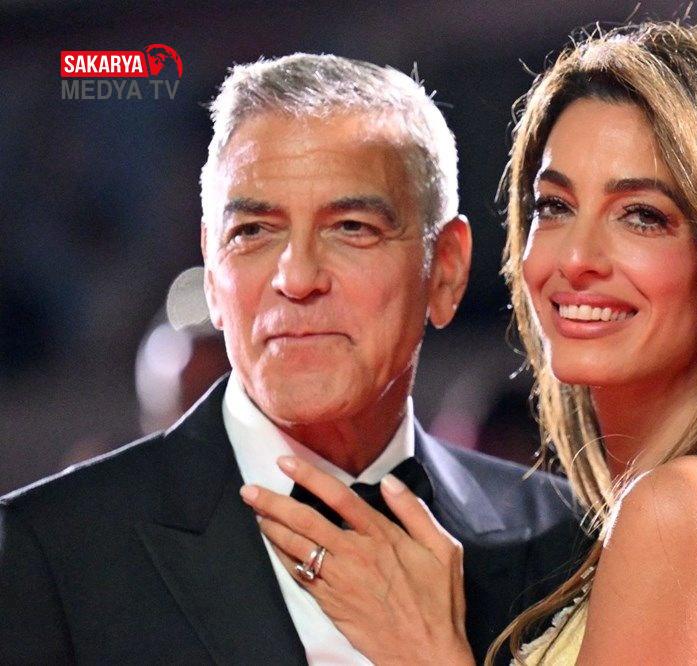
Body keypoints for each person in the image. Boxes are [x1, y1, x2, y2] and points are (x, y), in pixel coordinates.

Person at [241, 22, 697, 664]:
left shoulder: (685, 513)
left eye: (643, 216)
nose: (575, 259)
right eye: (554, 206)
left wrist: (427, 650)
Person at [0, 54, 588, 664]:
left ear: (445, 270)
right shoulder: (52, 551)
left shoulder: (567, 543)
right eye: (253, 231)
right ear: (212, 273)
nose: (298, 278)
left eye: (352, 227)